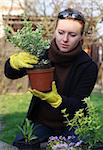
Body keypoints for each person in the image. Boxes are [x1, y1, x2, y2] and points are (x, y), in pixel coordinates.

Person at [4, 8, 98, 146]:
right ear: (54, 32)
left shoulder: (88, 66)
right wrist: (13, 63)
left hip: (72, 125)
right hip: (42, 123)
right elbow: (10, 74)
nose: (65, 39)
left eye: (72, 35)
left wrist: (58, 101)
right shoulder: (42, 53)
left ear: (81, 38)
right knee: (21, 145)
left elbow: (79, 104)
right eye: (61, 33)